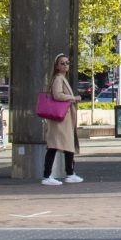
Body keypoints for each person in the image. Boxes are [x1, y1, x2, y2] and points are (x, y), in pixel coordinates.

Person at [36, 53, 83, 186]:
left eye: (67, 63)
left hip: (64, 118)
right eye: (62, 63)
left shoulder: (62, 78)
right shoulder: (58, 79)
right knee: (54, 146)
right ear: (56, 66)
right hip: (60, 119)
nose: (66, 65)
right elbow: (57, 95)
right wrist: (74, 98)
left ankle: (69, 173)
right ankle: (48, 175)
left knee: (67, 145)